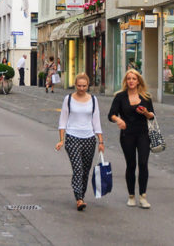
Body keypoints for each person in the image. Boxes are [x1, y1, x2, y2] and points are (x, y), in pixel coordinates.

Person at [108, 68, 155, 209]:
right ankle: (131, 196)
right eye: (129, 79)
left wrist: (146, 112)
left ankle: (143, 196)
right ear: (126, 81)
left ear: (138, 81)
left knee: (143, 163)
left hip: (143, 134)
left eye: (134, 79)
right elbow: (111, 114)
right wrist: (118, 120)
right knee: (131, 165)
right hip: (127, 135)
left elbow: (152, 116)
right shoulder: (120, 97)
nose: (131, 81)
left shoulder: (146, 97)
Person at [56, 73, 104, 211]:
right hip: (72, 137)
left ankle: (81, 195)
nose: (81, 88)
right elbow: (63, 120)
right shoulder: (69, 99)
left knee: (85, 170)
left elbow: (96, 122)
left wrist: (101, 141)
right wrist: (61, 139)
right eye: (79, 86)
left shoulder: (93, 100)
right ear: (75, 85)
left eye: (84, 86)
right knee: (78, 168)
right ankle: (79, 198)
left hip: (89, 138)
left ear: (87, 85)